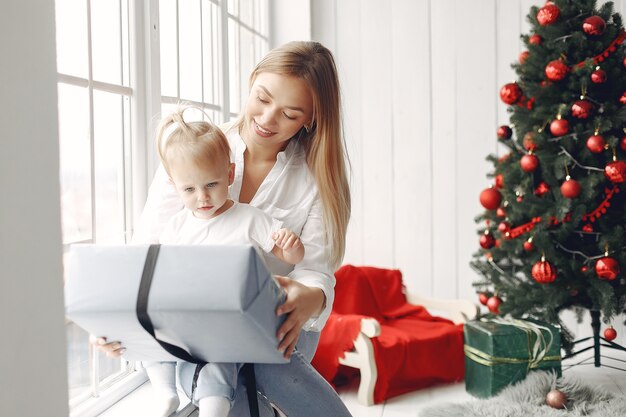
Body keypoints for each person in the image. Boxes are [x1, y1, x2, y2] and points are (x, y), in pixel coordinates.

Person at [95, 40, 352, 417]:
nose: (267, 119)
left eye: (290, 113)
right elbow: (147, 248)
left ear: (310, 119)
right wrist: (118, 321)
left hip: (283, 322)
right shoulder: (194, 152)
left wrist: (309, 297)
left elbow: (315, 270)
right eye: (262, 98)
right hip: (203, 319)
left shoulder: (315, 179)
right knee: (227, 392)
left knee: (266, 360)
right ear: (250, 84)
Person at [144, 105, 305, 417]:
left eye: (211, 185)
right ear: (176, 188)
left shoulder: (248, 218)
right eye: (189, 189)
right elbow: (163, 271)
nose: (202, 197)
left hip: (231, 321)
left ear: (229, 175)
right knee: (149, 332)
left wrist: (291, 247)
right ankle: (165, 394)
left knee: (219, 361)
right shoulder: (178, 226)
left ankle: (212, 408)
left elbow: (292, 257)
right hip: (189, 315)